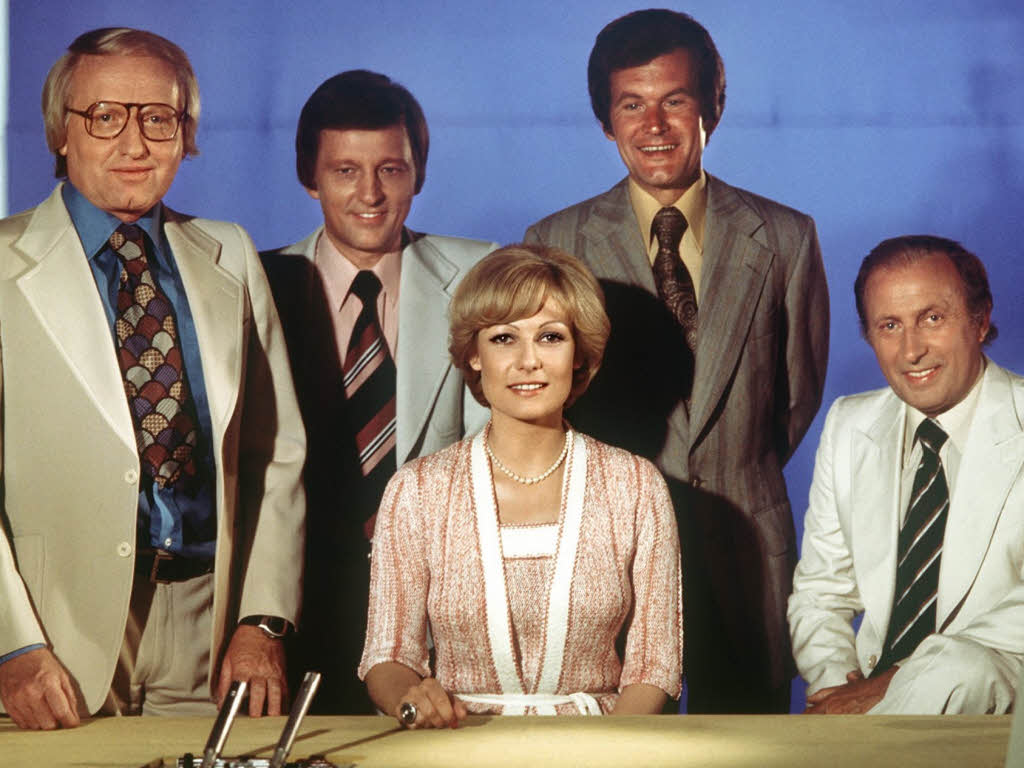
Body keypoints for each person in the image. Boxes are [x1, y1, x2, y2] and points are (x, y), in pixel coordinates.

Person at [524, 9, 828, 713]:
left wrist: (728, 463)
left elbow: (796, 397)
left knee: (747, 751)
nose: (654, 124)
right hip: (609, 556)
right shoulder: (555, 242)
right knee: (616, 751)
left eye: (675, 100)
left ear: (711, 108)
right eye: (632, 104)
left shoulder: (785, 237)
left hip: (745, 552)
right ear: (607, 120)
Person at [0, 28, 305, 729]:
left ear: (186, 134)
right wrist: (11, 642)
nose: (134, 144)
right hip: (49, 633)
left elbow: (276, 455)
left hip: (209, 630)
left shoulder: (230, 253)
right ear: (60, 132)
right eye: (105, 116)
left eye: (158, 118)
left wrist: (261, 620)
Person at [359, 244, 682, 728]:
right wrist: (412, 702)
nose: (528, 361)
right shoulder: (417, 491)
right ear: (473, 355)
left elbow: (655, 665)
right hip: (456, 744)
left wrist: (608, 750)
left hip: (597, 749)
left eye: (550, 337)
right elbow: (386, 654)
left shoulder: (635, 486)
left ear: (579, 355)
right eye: (504, 338)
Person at [261, 70, 494, 714]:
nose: (370, 193)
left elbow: (492, 457)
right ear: (310, 178)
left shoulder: (479, 275)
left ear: (417, 174)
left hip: (440, 610)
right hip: (296, 605)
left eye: (391, 169)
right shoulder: (259, 286)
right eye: (345, 171)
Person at [788, 235, 1024, 714]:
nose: (911, 350)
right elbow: (821, 593)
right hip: (866, 698)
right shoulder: (849, 425)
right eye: (890, 326)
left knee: (961, 673)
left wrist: (892, 685)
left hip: (998, 684)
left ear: (980, 320)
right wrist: (839, 689)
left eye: (932, 319)